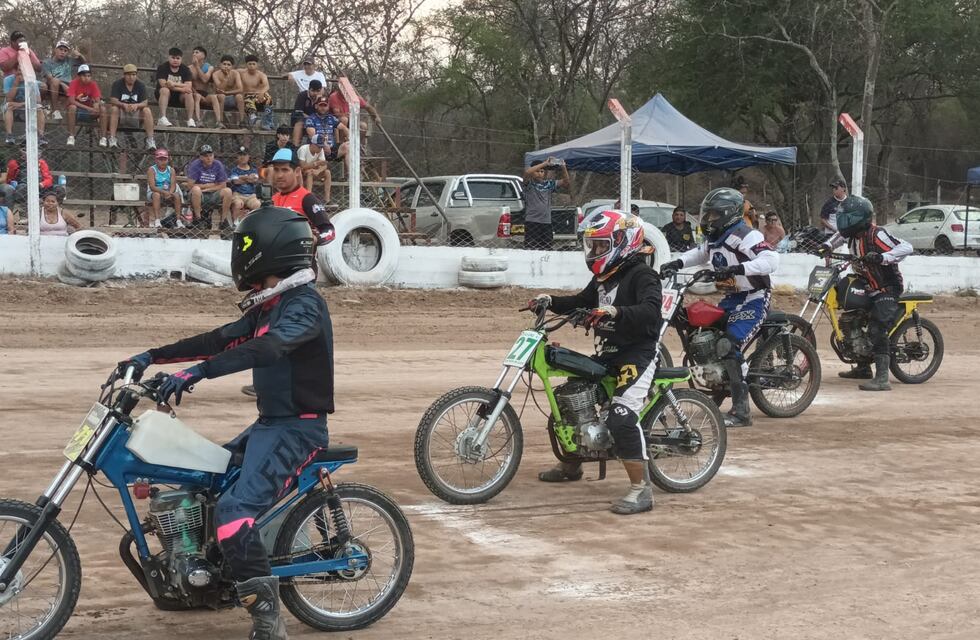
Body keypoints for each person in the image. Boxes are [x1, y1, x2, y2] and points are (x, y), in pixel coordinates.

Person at [117, 206, 334, 640]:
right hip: (269, 424)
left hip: (298, 429)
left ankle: (268, 621)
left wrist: (195, 373)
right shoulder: (268, 307)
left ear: (270, 252)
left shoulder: (304, 306)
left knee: (235, 513)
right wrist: (151, 356)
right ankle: (203, 577)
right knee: (202, 482)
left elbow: (266, 351)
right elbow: (221, 338)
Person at [531, 210, 662, 515]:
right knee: (569, 401)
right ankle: (571, 466)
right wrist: (550, 300)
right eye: (594, 246)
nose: (596, 252)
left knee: (620, 416)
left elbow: (650, 311)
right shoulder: (604, 277)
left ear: (623, 242)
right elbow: (581, 300)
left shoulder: (643, 275)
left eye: (602, 245)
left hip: (637, 354)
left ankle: (642, 490)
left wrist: (614, 312)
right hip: (610, 353)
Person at [660, 187, 779, 428]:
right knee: (703, 331)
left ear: (728, 214)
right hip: (732, 298)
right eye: (707, 215)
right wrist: (676, 262)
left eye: (713, 215)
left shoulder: (746, 235)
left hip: (754, 297)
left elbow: (771, 260)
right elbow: (700, 253)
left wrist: (738, 269)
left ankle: (741, 412)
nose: (708, 220)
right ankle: (717, 381)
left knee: (728, 345)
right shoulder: (715, 238)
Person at [819, 195, 912, 391]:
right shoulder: (851, 234)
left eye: (848, 217)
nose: (844, 221)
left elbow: (906, 247)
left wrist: (882, 257)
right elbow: (837, 237)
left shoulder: (876, 234)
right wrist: (826, 247)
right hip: (865, 283)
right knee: (851, 318)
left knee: (877, 328)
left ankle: (883, 378)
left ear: (861, 218)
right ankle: (863, 367)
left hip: (886, 287)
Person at [522, 156, 570, 250]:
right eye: (537, 171)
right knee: (530, 248)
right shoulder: (529, 183)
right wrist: (545, 163)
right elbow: (527, 172)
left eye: (542, 171)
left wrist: (563, 167)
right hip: (532, 221)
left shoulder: (549, 184)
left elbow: (566, 182)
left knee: (547, 248)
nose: (540, 173)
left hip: (546, 222)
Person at [108, 63, 156, 150]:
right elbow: (113, 100)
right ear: (124, 75)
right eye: (129, 75)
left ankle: (150, 140)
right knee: (114, 109)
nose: (131, 77)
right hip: (121, 112)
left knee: (147, 110)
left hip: (136, 113)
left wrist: (137, 105)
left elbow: (145, 102)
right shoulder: (117, 84)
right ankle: (112, 139)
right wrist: (123, 104)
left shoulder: (140, 85)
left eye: (133, 75)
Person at [185, 144, 232, 230]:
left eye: (211, 155)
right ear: (201, 157)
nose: (209, 158)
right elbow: (190, 185)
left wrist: (209, 188)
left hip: (213, 193)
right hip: (199, 194)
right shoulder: (195, 165)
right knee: (196, 189)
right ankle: (198, 219)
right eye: (206, 156)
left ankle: (223, 221)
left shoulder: (218, 164)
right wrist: (207, 185)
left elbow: (223, 185)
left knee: (228, 191)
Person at [326, 77, 380, 149]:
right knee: (344, 119)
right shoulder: (333, 97)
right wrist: (346, 115)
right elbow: (336, 114)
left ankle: (356, 146)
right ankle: (341, 145)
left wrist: (376, 116)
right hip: (334, 122)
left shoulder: (354, 97)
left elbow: (368, 107)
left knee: (363, 126)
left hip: (350, 121)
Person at [3, 67, 48, 145]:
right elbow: (9, 99)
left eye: (23, 70)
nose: (21, 73)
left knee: (39, 109)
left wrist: (23, 104)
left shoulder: (32, 80)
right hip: (13, 105)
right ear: (14, 70)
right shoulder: (8, 80)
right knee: (9, 107)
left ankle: (41, 136)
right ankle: (9, 136)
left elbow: (38, 100)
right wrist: (15, 83)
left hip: (27, 105)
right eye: (19, 70)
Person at [42, 40, 84, 120]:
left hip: (68, 85)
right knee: (55, 81)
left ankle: (63, 112)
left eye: (65, 51)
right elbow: (50, 78)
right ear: (55, 50)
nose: (63, 52)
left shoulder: (69, 60)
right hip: (54, 85)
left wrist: (79, 55)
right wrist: (62, 84)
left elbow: (84, 62)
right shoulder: (47, 62)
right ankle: (55, 111)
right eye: (60, 49)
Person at [65, 64, 105, 147]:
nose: (86, 78)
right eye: (83, 75)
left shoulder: (93, 84)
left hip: (89, 112)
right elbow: (71, 100)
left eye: (88, 76)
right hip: (77, 112)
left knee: (103, 109)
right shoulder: (74, 83)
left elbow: (98, 99)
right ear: (78, 76)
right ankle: (71, 136)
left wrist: (97, 105)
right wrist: (89, 108)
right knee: (72, 107)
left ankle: (103, 137)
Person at [155, 47, 195, 127]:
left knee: (188, 92)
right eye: (173, 58)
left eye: (178, 58)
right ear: (169, 57)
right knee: (165, 90)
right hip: (163, 95)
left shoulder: (185, 69)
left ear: (181, 59)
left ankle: (190, 119)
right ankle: (163, 118)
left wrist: (173, 84)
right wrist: (181, 87)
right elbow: (163, 84)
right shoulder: (162, 67)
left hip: (180, 95)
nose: (175, 60)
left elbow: (188, 85)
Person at [145, 148, 183, 228]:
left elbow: (173, 185)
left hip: (168, 191)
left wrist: (170, 192)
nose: (163, 161)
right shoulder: (152, 170)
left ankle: (178, 220)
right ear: (156, 160)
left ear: (167, 160)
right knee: (156, 195)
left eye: (165, 159)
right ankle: (157, 220)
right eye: (160, 159)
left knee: (176, 195)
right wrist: (164, 192)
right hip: (155, 192)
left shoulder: (171, 170)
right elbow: (152, 186)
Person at [229, 146, 261, 226]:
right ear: (237, 156)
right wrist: (248, 177)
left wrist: (241, 177)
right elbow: (236, 181)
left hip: (251, 196)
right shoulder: (234, 170)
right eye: (240, 155)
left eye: (245, 155)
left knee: (257, 204)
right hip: (238, 195)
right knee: (237, 204)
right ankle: (235, 224)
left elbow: (254, 180)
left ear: (248, 156)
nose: (242, 157)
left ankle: (254, 225)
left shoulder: (253, 169)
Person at [189, 46, 221, 128]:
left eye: (197, 52)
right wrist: (195, 92)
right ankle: (198, 121)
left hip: (205, 93)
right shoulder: (189, 68)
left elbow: (204, 79)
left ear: (203, 55)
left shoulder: (209, 67)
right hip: (194, 92)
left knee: (214, 97)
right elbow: (188, 83)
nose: (194, 54)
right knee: (197, 96)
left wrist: (197, 66)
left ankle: (219, 122)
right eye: (193, 52)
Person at [240, 55, 273, 130]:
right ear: (246, 65)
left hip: (259, 95)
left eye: (253, 64)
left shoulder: (261, 75)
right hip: (247, 96)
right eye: (250, 64)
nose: (252, 66)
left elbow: (267, 86)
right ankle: (254, 122)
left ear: (257, 65)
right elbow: (232, 72)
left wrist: (262, 92)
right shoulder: (242, 73)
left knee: (269, 99)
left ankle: (267, 123)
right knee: (249, 103)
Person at [297, 134, 333, 203]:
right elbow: (302, 166)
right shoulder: (303, 149)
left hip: (313, 171)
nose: (320, 149)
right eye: (319, 147)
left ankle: (327, 200)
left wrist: (318, 170)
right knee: (310, 172)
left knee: (327, 172)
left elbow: (324, 165)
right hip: (301, 173)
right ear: (313, 144)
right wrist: (316, 164)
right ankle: (308, 197)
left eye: (321, 147)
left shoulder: (320, 150)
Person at [290, 79, 323, 146]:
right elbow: (299, 112)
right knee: (299, 123)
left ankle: (317, 147)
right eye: (313, 91)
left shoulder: (322, 98)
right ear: (309, 89)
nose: (315, 93)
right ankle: (295, 147)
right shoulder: (302, 95)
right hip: (301, 118)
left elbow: (323, 112)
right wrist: (311, 118)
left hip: (315, 121)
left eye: (318, 91)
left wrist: (319, 102)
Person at [212, 55, 244, 126]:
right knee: (222, 96)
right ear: (220, 65)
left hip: (232, 97)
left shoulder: (235, 73)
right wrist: (226, 78)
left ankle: (242, 121)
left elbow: (240, 89)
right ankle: (220, 121)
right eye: (224, 64)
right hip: (220, 98)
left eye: (228, 65)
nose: (226, 66)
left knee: (239, 96)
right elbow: (220, 89)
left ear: (232, 66)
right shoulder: (215, 74)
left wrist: (227, 92)